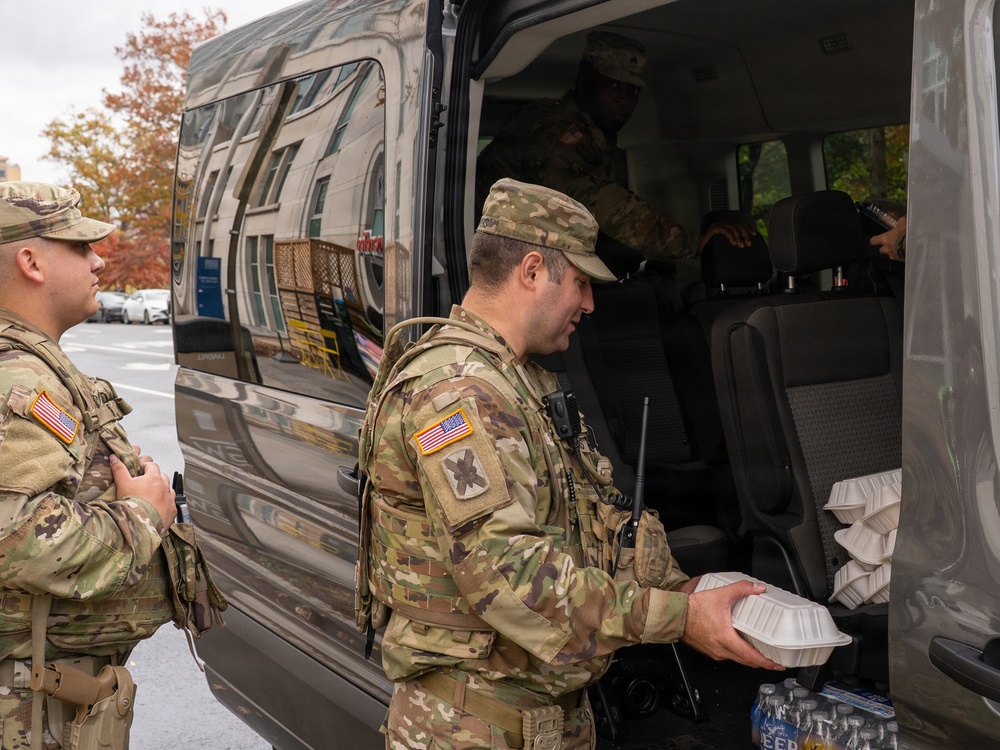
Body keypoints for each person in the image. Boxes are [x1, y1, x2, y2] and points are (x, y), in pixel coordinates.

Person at [357, 178, 781, 750]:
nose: (589, 304)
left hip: (536, 720)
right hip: (472, 727)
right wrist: (679, 617)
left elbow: (586, 528)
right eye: (580, 282)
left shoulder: (520, 380)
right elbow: (512, 576)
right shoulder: (459, 395)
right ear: (532, 270)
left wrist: (688, 588)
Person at [0, 182, 183, 750]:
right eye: (80, 247)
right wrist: (142, 515)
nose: (99, 259)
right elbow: (17, 535)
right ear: (31, 261)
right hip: (27, 711)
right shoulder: (17, 378)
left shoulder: (30, 363)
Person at [476, 31, 754, 275]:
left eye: (632, 89)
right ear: (584, 81)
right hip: (483, 255)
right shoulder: (549, 128)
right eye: (612, 84)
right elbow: (604, 205)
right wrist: (695, 243)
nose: (624, 97)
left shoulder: (593, 133)